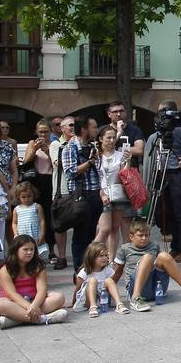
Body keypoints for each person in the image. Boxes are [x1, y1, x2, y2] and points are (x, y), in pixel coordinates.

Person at [153, 100, 181, 262]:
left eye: (163, 111)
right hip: (163, 172)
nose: (160, 115)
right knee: (167, 212)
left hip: (178, 173)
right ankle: (176, 247)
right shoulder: (162, 125)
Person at [115, 220, 181, 311]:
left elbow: (162, 264)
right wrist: (108, 290)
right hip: (137, 288)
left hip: (157, 286)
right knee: (147, 258)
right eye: (140, 235)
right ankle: (135, 299)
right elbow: (117, 272)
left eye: (146, 235)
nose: (144, 238)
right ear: (131, 237)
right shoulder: (124, 249)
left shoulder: (154, 246)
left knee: (164, 256)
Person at [0, 236, 68, 328]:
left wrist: (34, 306)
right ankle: (43, 319)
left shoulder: (38, 266)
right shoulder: (5, 270)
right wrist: (29, 307)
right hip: (14, 303)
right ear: (16, 250)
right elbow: (12, 294)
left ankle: (16, 319)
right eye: (25, 249)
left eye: (32, 249)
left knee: (58, 297)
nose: (29, 252)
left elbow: (42, 290)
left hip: (35, 300)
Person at [62, 116, 104, 271]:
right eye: (93, 127)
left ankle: (89, 266)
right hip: (80, 196)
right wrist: (90, 162)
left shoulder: (92, 146)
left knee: (91, 234)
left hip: (95, 194)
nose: (96, 130)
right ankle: (79, 269)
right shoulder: (70, 147)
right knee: (80, 235)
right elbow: (70, 172)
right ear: (84, 129)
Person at [94, 125, 134, 259]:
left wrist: (128, 161)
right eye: (108, 138)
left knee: (115, 228)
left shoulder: (119, 154)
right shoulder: (96, 156)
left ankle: (111, 258)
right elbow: (97, 177)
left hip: (117, 193)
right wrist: (102, 194)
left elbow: (124, 174)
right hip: (102, 194)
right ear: (100, 139)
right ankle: (91, 255)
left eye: (113, 137)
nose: (111, 140)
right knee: (104, 228)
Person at [21, 119, 55, 244]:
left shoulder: (54, 144)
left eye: (46, 132)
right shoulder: (32, 143)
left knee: (48, 215)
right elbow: (26, 162)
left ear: (50, 132)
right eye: (40, 132)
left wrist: (47, 150)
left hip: (49, 180)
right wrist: (34, 150)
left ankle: (51, 246)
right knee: (35, 214)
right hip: (36, 180)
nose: (43, 135)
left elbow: (56, 164)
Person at [49, 116, 76, 270]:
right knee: (60, 226)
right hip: (62, 190)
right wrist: (71, 146)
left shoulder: (80, 143)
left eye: (75, 125)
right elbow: (59, 164)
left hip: (78, 189)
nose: (73, 128)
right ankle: (62, 256)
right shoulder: (56, 144)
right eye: (70, 125)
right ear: (62, 128)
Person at [76, 240, 128, 317]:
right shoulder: (85, 271)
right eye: (101, 256)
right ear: (92, 257)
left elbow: (112, 284)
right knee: (93, 280)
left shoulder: (107, 269)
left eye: (106, 255)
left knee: (109, 280)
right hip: (88, 300)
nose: (104, 258)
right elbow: (78, 289)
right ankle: (93, 307)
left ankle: (119, 304)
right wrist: (73, 302)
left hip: (104, 299)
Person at [10, 181, 46, 258]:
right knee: (24, 250)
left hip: (34, 234)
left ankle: (37, 266)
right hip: (23, 234)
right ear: (18, 197)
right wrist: (16, 233)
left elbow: (42, 221)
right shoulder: (17, 209)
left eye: (29, 196)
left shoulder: (37, 207)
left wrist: (42, 234)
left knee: (35, 251)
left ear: (33, 195)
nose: (27, 199)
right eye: (23, 197)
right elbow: (14, 223)